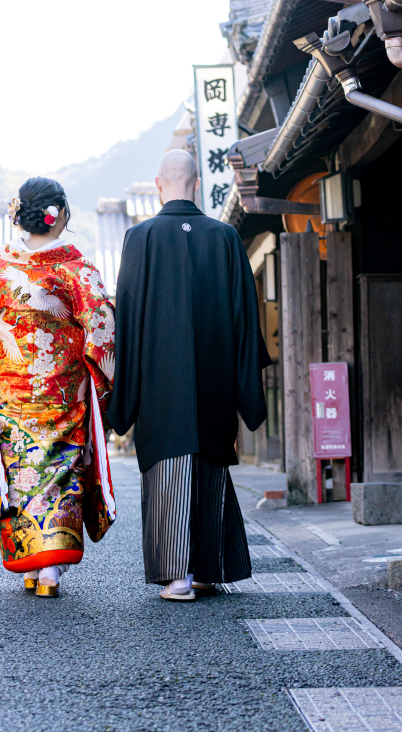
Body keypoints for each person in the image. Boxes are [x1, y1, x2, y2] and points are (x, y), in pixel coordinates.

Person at [108, 149, 270, 601]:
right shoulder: (224, 238)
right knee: (209, 463)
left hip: (161, 384)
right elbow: (245, 320)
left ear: (159, 185)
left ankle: (176, 576)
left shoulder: (139, 238)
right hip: (216, 379)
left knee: (168, 471)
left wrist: (125, 391)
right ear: (196, 183)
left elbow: (129, 319)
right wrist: (247, 389)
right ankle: (206, 569)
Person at [0, 177, 115, 598]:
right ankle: (51, 568)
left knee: (17, 474)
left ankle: (30, 565)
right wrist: (104, 381)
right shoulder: (78, 270)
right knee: (59, 470)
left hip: (9, 397)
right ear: (61, 217)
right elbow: (103, 327)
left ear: (21, 216)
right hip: (62, 394)